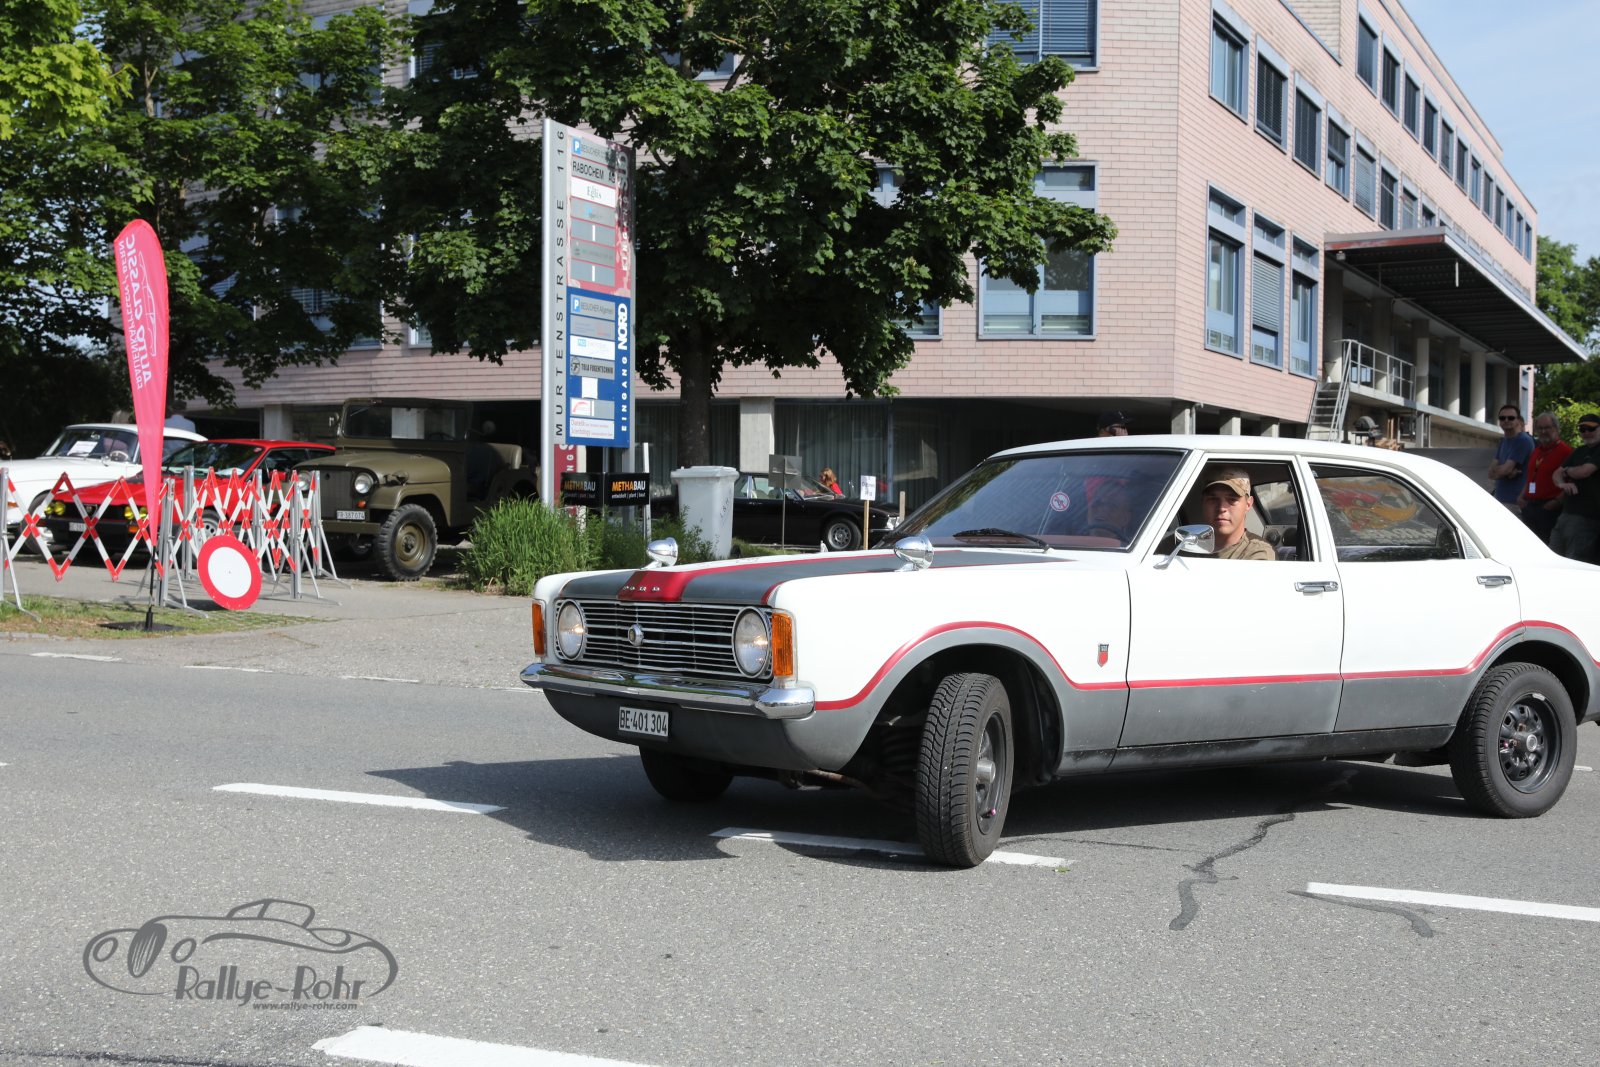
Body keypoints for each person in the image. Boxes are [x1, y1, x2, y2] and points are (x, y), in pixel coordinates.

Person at [1550, 414, 1600, 562]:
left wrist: (1566, 471)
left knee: (1576, 562)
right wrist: (1562, 484)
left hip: (1588, 517)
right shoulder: (1579, 451)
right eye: (1582, 429)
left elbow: (1584, 471)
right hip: (1566, 514)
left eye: (1591, 428)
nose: (1586, 432)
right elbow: (1556, 474)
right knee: (1554, 558)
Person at [1517, 411, 1571, 543]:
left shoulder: (1566, 452)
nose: (1543, 431)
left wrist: (1556, 502)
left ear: (1556, 428)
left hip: (1549, 508)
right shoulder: (1537, 451)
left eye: (1547, 427)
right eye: (1540, 428)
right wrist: (1521, 497)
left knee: (1547, 546)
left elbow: (1572, 482)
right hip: (1529, 505)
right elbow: (1531, 476)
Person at [1200, 467, 1274, 560]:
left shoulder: (1258, 553)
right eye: (1213, 499)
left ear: (1248, 504)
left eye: (1232, 499)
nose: (1221, 508)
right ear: (1203, 502)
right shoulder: (1188, 544)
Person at [1487, 404, 1534, 509]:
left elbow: (1504, 470)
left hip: (1516, 503)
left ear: (1518, 421)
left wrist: (1503, 472)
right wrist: (1504, 472)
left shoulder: (1523, 440)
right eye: (1502, 418)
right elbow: (1490, 473)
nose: (1506, 420)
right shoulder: (1503, 441)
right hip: (1500, 500)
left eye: (1511, 418)